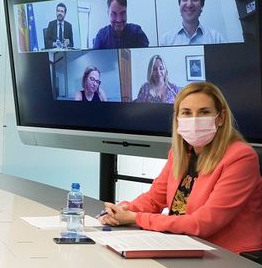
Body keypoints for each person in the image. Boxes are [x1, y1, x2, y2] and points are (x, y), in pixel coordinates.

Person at [99, 82, 262, 253]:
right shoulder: (180, 153)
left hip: (231, 257)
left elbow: (203, 223)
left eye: (204, 112)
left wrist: (136, 218)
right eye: (186, 113)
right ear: (177, 119)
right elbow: (154, 199)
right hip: (185, 245)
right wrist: (122, 210)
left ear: (220, 118)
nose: (194, 119)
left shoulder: (241, 157)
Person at [160, 0, 226, 46]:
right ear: (179, 4)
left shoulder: (216, 39)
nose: (189, 4)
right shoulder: (166, 40)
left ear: (202, 5)